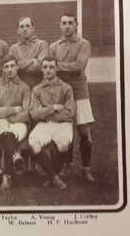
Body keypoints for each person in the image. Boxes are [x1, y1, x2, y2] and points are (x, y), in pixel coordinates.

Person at [48, 13, 95, 182]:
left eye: (70, 23)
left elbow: (79, 66)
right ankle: (66, 165)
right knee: (63, 129)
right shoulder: (54, 46)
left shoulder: (84, 44)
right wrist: (62, 68)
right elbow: (51, 68)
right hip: (61, 93)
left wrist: (59, 66)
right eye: (63, 23)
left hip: (80, 90)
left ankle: (86, 168)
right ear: (59, 25)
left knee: (83, 131)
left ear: (76, 25)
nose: (67, 26)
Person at [28, 58, 76, 190]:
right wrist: (53, 108)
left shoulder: (66, 88)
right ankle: (54, 177)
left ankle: (51, 178)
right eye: (45, 67)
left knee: (63, 144)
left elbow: (70, 113)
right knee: (33, 142)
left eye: (51, 67)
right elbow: (33, 114)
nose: (48, 70)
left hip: (63, 124)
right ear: (41, 69)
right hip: (45, 124)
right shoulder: (37, 89)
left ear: (56, 69)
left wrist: (44, 111)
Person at [0, 54, 31, 189]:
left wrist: (8, 116)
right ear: (2, 69)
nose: (10, 69)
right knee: (5, 130)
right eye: (6, 67)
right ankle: (15, 157)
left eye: (12, 66)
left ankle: (6, 177)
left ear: (17, 67)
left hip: (18, 123)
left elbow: (26, 112)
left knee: (9, 135)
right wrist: (13, 109)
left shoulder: (25, 87)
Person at [9, 16, 49, 88]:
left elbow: (40, 66)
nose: (25, 29)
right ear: (18, 30)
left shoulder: (42, 44)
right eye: (22, 27)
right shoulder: (13, 48)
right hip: (19, 87)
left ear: (33, 28)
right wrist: (33, 61)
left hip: (39, 86)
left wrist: (20, 64)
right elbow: (12, 68)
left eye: (27, 26)